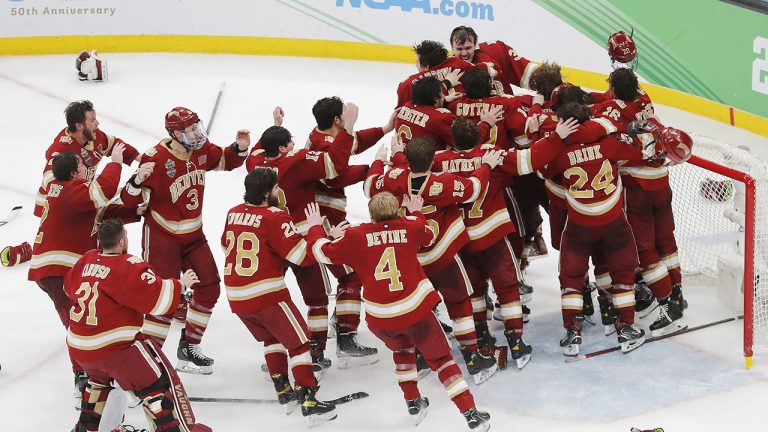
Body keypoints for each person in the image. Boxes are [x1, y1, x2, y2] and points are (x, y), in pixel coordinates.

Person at [305, 194, 492, 431]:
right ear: (397, 212)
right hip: (415, 312)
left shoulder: (356, 236)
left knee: (402, 351)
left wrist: (316, 229)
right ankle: (470, 413)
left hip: (380, 319)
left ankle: (413, 401)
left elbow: (321, 252)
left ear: (371, 215)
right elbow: (428, 234)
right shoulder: (410, 226)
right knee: (442, 360)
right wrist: (416, 211)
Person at [434, 116, 579, 369]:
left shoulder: (440, 161)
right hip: (493, 238)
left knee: (476, 292)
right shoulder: (492, 155)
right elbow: (531, 159)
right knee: (508, 289)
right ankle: (516, 342)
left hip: (462, 241)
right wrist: (556, 136)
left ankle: (481, 336)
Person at [120, 107, 251, 374]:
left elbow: (224, 160)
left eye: (196, 127)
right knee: (164, 300)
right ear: (174, 134)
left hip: (194, 235)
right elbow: (128, 200)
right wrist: (136, 180)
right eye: (189, 130)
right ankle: (147, 365)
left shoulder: (200, 150)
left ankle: (189, 347)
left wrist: (239, 148)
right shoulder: (155, 158)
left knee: (210, 287)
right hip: (162, 237)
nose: (195, 133)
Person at [365, 136, 503, 384]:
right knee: (459, 303)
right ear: (434, 160)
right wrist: (487, 165)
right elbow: (473, 189)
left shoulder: (395, 177)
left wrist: (379, 161)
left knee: (419, 311)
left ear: (407, 159)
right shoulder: (443, 181)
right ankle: (472, 357)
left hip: (412, 260)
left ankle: (420, 358)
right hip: (442, 254)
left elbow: (369, 187)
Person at [26, 145, 149, 408]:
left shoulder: (67, 192)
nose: (87, 170)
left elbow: (99, 213)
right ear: (73, 173)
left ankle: (92, 376)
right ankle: (82, 377)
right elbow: (103, 190)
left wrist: (132, 213)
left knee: (83, 322)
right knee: (77, 325)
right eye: (83, 168)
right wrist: (116, 162)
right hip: (57, 269)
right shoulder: (70, 191)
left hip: (59, 270)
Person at [66, 218, 211, 432]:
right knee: (156, 385)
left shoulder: (86, 259)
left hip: (79, 348)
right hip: (115, 348)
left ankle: (85, 428)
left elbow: (69, 288)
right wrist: (181, 284)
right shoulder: (127, 264)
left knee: (98, 384)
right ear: (123, 241)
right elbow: (158, 301)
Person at [221, 168, 337, 424]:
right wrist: (319, 232)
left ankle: (284, 391)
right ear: (266, 194)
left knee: (272, 339)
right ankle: (309, 398)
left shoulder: (233, 212)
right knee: (299, 343)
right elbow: (301, 257)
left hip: (236, 297)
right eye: (275, 188)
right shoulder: (275, 217)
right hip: (267, 295)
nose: (278, 192)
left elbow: (225, 245)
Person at [246, 121, 356, 373]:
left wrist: (273, 126)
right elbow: (335, 166)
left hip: (273, 241)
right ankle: (316, 351)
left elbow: (256, 150)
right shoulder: (297, 161)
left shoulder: (255, 163)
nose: (295, 145)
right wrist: (348, 128)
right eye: (290, 142)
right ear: (284, 148)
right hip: (303, 239)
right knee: (317, 299)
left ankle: (278, 354)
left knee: (272, 301)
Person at [547, 101, 653, 356]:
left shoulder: (559, 152)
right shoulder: (608, 142)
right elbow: (643, 151)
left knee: (571, 278)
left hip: (579, 224)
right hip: (613, 222)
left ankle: (572, 331)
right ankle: (625, 327)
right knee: (623, 274)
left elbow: (544, 171)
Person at [592, 68, 688, 336]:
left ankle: (670, 307)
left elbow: (601, 120)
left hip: (638, 187)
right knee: (666, 241)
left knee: (644, 249)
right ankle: (677, 293)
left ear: (613, 90)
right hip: (661, 181)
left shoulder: (610, 110)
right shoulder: (644, 97)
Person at [307, 97, 396, 364]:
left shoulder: (321, 136)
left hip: (327, 218)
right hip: (323, 222)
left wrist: (384, 129)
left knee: (348, 276)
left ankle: (339, 320)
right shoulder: (323, 145)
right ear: (337, 121)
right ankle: (345, 336)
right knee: (351, 276)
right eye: (344, 116)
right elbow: (337, 175)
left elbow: (350, 145)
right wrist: (374, 168)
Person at [2, 100, 140, 268]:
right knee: (63, 237)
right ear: (79, 125)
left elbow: (112, 143)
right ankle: (30, 253)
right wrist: (82, 192)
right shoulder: (61, 150)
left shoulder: (92, 136)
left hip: (82, 195)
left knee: (86, 231)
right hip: (60, 201)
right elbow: (51, 181)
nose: (97, 123)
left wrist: (142, 158)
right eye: (92, 119)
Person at [395, 76, 502, 150]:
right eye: (441, 94)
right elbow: (469, 143)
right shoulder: (440, 118)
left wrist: (444, 101)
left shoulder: (407, 106)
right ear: (435, 99)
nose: (443, 95)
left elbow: (425, 113)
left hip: (402, 162)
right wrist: (486, 123)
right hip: (426, 169)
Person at [449, 26, 539, 94]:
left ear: (475, 45)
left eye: (468, 48)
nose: (464, 53)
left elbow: (525, 71)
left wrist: (548, 81)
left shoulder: (495, 50)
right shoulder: (445, 68)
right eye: (459, 49)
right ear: (452, 48)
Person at [395, 40, 471, 108]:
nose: (416, 65)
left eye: (417, 62)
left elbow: (401, 114)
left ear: (426, 67)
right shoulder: (458, 63)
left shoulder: (407, 85)